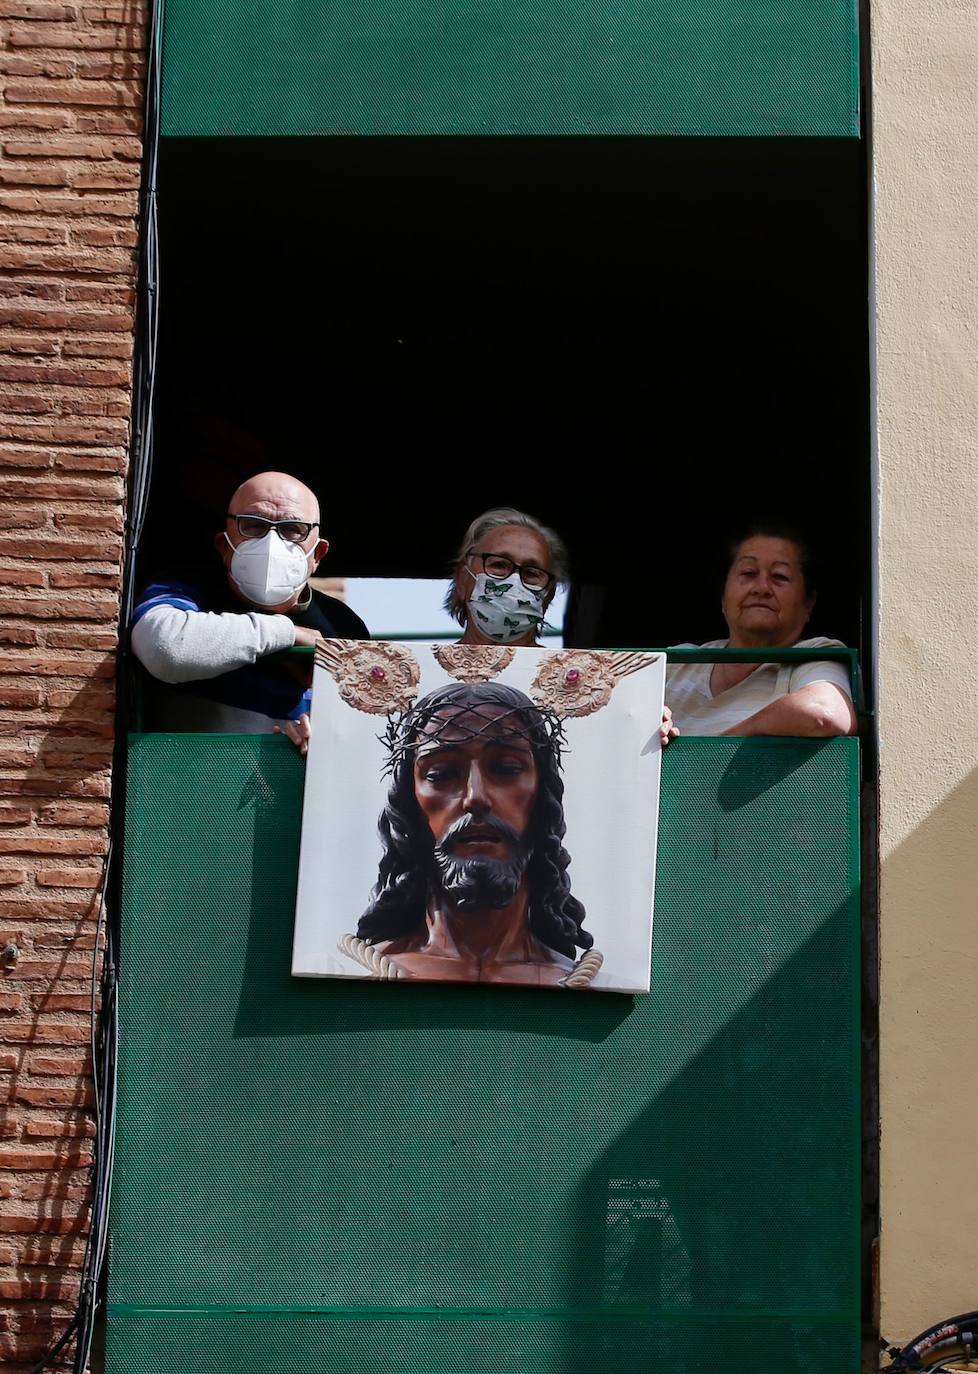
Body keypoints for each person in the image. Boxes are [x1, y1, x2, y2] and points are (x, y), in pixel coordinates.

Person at [339, 681, 603, 987]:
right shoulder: (342, 975)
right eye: (440, 774)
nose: (475, 797)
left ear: (542, 798)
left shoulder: (595, 985)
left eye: (506, 768)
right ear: (410, 804)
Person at [131, 471, 368, 744]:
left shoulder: (342, 625)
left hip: (290, 786)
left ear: (317, 554)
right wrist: (288, 634)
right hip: (185, 781)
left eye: (293, 529)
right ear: (224, 545)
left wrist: (323, 745)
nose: (272, 542)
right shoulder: (185, 592)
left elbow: (363, 730)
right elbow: (166, 648)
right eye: (254, 525)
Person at [445, 506, 677, 744]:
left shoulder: (589, 689)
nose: (514, 581)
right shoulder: (422, 674)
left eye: (532, 573)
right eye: (499, 565)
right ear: (463, 580)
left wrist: (647, 726)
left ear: (548, 595)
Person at [666, 524, 856, 737]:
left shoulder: (814, 655)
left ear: (808, 603)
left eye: (779, 576)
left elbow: (825, 712)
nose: (761, 588)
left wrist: (720, 748)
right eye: (748, 573)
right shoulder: (677, 664)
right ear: (723, 596)